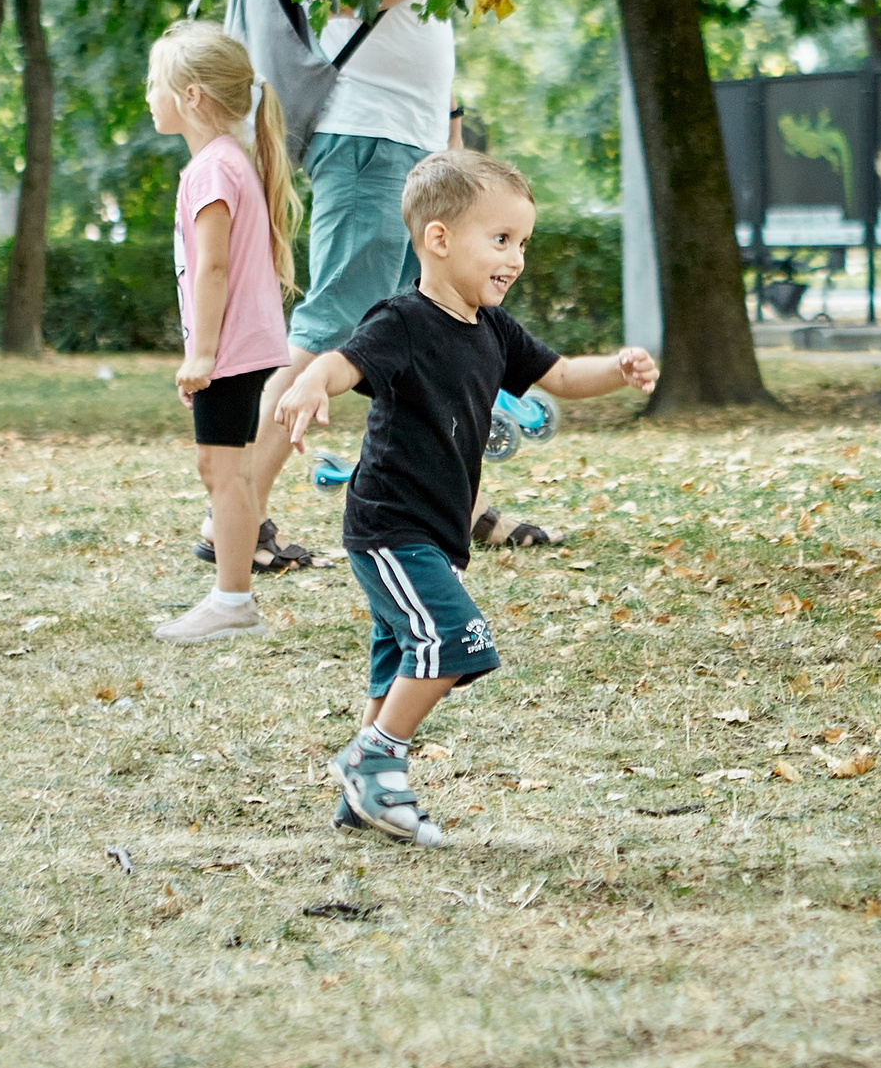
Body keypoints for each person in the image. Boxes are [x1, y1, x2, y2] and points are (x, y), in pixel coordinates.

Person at [277, 150, 658, 846]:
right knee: (455, 640)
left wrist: (617, 367)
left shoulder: (493, 329)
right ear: (440, 238)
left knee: (398, 660)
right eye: (501, 239)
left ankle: (362, 798)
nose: (515, 258)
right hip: (390, 526)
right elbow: (343, 362)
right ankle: (373, 761)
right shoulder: (402, 320)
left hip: (439, 531)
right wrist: (308, 383)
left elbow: (562, 376)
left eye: (523, 243)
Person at [234, 0, 465, 566]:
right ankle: (234, 518)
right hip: (367, 134)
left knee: (420, 332)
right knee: (330, 327)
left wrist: (451, 130)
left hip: (410, 137)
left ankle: (455, 508)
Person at [143, 23, 301, 644]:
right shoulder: (229, 161)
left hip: (231, 349)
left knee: (224, 472)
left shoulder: (211, 170)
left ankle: (233, 602)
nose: (148, 97)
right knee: (223, 470)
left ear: (192, 97)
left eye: (154, 84)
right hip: (246, 345)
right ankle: (231, 597)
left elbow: (213, 267)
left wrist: (202, 354)